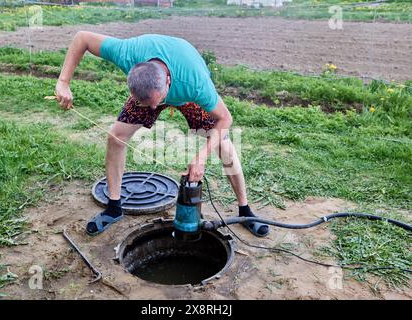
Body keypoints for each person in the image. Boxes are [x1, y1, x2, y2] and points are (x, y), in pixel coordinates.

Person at [55, 32, 269, 237]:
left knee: (223, 145)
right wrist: (63, 82)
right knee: (116, 137)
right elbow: (82, 38)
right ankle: (113, 207)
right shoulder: (127, 52)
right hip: (150, 88)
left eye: (156, 103)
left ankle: (245, 210)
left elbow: (226, 118)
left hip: (186, 95)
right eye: (146, 104)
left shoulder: (195, 83)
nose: (154, 109)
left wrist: (201, 157)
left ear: (167, 81)